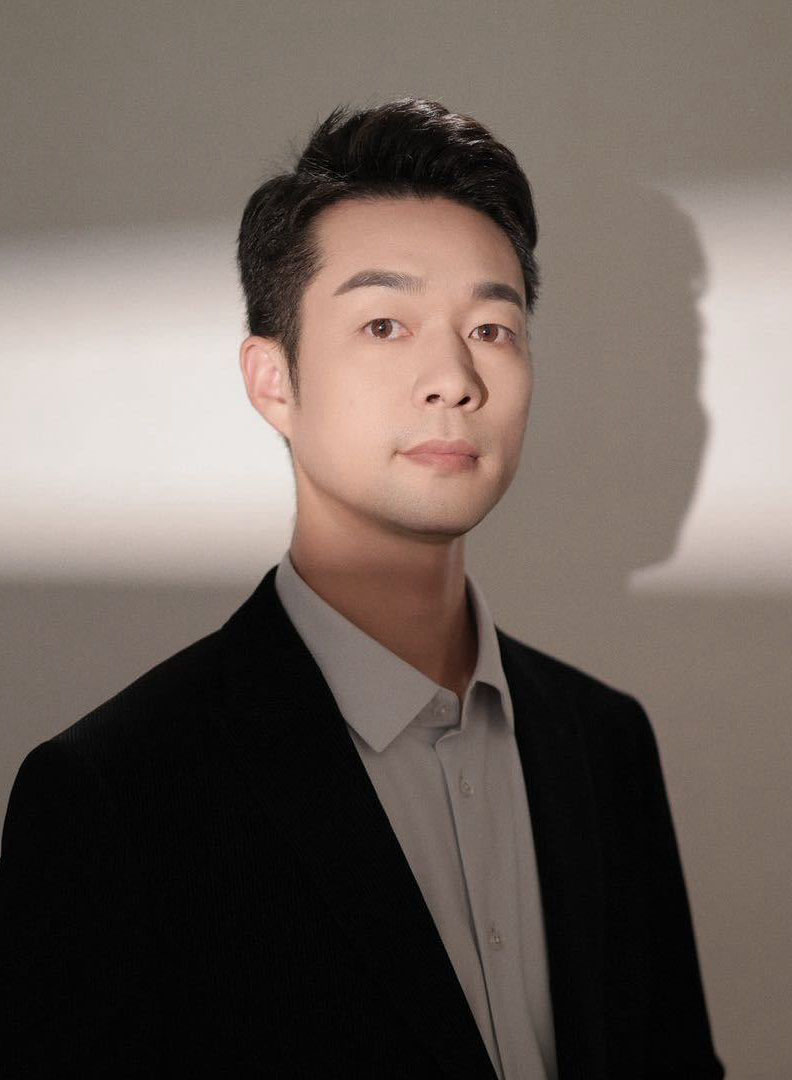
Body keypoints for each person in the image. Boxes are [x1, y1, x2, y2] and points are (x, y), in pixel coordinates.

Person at [0, 98, 725, 1079]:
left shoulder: (605, 745)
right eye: (385, 324)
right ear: (273, 381)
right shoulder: (114, 796)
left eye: (493, 328)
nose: (453, 378)